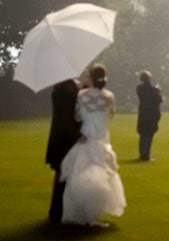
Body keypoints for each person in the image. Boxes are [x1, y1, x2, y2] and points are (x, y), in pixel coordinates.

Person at [60, 64, 126, 226]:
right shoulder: (110, 96)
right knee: (102, 171)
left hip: (86, 137)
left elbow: (76, 116)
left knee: (81, 172)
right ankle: (94, 212)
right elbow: (111, 115)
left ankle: (82, 211)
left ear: (90, 77)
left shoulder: (82, 94)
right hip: (101, 137)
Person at [45, 79, 81, 225]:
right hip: (70, 136)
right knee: (70, 175)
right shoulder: (73, 91)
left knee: (60, 175)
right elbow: (77, 114)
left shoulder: (56, 90)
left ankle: (55, 211)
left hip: (57, 135)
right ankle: (67, 211)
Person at [136, 70, 162, 161]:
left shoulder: (139, 88)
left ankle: (142, 153)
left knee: (143, 135)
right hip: (151, 114)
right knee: (149, 135)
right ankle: (146, 155)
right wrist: (158, 91)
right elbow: (159, 101)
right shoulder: (154, 90)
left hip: (143, 114)